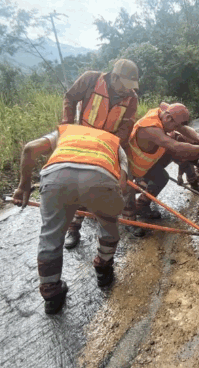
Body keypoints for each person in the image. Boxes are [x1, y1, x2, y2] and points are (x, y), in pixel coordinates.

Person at [12, 124, 129, 314]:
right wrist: (105, 206)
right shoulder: (115, 143)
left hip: (56, 178)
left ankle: (51, 294)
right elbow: (122, 185)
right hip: (100, 179)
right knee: (109, 224)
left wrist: (23, 186)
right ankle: (103, 269)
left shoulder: (66, 131)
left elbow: (29, 149)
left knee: (50, 235)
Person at [61, 59, 139, 249]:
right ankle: (73, 227)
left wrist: (111, 144)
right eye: (125, 85)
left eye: (131, 87)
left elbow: (126, 126)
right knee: (79, 184)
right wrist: (68, 125)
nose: (128, 90)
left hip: (109, 143)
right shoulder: (90, 79)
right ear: (114, 77)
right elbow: (70, 98)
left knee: (123, 176)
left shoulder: (132, 98)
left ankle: (125, 216)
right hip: (84, 138)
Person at [123, 102, 199, 232]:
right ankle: (129, 222)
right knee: (127, 192)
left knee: (162, 177)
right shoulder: (151, 128)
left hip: (145, 165)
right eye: (175, 125)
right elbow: (175, 146)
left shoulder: (164, 113)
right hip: (130, 166)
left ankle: (141, 206)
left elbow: (183, 129)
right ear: (168, 118)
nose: (175, 129)